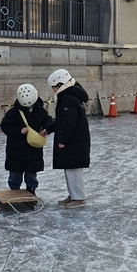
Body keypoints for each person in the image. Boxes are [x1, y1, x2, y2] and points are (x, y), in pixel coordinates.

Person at [45, 69, 91, 208]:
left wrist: (62, 140)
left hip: (74, 140)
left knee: (74, 168)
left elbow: (69, 122)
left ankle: (79, 197)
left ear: (60, 84)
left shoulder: (68, 99)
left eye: (54, 87)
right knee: (69, 167)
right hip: (75, 139)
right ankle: (73, 194)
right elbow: (61, 120)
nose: (53, 90)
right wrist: (49, 129)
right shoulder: (69, 96)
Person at [0, 83, 52, 194]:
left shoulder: (40, 110)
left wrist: (46, 129)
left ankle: (31, 189)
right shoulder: (14, 112)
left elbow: (48, 121)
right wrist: (18, 131)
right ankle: (14, 189)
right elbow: (5, 126)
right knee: (15, 172)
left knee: (31, 172)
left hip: (33, 148)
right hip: (16, 148)